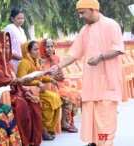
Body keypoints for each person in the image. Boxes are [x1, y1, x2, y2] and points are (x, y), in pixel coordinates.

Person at [51, 0, 125, 145]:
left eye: (82, 12)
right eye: (79, 13)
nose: (80, 16)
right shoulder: (85, 30)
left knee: (105, 120)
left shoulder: (111, 25)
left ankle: (104, 143)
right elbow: (75, 53)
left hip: (108, 82)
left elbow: (118, 48)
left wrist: (101, 57)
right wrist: (59, 65)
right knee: (90, 118)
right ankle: (94, 142)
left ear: (93, 10)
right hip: (91, 83)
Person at [0, 31, 42, 146]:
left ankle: (32, 140)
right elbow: (1, 81)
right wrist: (22, 81)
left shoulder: (8, 62)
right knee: (21, 104)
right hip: (0, 96)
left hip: (13, 92)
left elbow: (12, 79)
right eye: (5, 41)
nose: (7, 43)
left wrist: (24, 91)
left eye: (8, 41)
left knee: (33, 100)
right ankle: (23, 141)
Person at [17, 41, 62, 141]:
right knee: (50, 100)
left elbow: (40, 76)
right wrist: (37, 83)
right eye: (35, 49)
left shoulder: (36, 61)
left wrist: (50, 79)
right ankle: (43, 129)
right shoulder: (24, 62)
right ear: (28, 52)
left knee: (56, 98)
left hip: (39, 90)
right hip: (29, 91)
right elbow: (21, 81)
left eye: (38, 49)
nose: (38, 51)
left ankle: (49, 128)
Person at [39, 39, 80, 133]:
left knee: (75, 93)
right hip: (48, 86)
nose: (50, 49)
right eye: (47, 47)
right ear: (43, 48)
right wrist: (54, 77)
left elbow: (60, 73)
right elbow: (41, 76)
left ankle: (67, 121)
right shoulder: (40, 60)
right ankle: (64, 123)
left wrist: (53, 60)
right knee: (67, 94)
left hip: (58, 85)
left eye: (52, 46)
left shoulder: (56, 58)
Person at [4, 8, 27, 73]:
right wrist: (21, 57)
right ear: (12, 19)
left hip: (22, 61)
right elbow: (6, 47)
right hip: (12, 61)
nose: (21, 20)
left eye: (22, 18)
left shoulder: (22, 30)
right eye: (18, 18)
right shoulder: (9, 28)